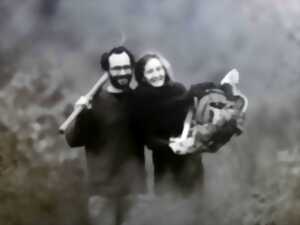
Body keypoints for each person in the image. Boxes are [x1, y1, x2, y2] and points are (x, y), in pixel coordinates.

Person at [64, 46, 146, 225]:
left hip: (134, 188)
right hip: (102, 192)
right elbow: (73, 140)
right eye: (117, 69)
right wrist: (83, 115)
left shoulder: (141, 99)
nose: (123, 73)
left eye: (126, 67)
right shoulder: (92, 102)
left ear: (132, 68)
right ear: (107, 71)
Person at [132, 53, 204, 196]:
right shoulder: (139, 99)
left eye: (159, 69)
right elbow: (148, 139)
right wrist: (172, 144)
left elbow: (192, 121)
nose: (157, 74)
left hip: (190, 161)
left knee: (196, 210)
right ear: (142, 76)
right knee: (170, 212)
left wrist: (191, 137)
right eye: (150, 71)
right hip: (165, 166)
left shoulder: (178, 90)